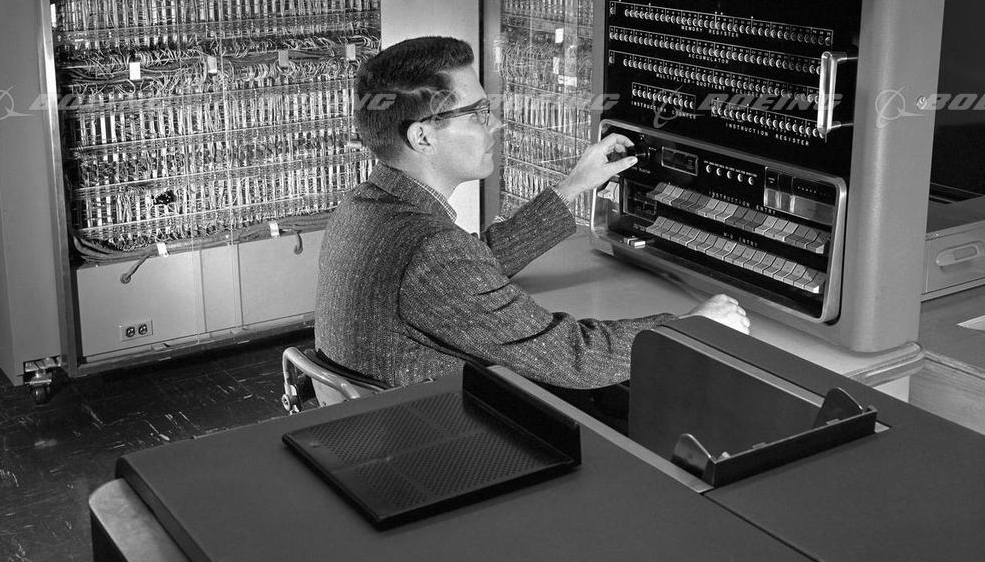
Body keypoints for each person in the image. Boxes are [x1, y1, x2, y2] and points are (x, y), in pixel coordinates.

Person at [314, 36, 749, 389]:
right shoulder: (432, 251)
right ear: (423, 137)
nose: (495, 124)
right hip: (430, 443)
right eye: (478, 113)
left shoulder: (366, 206)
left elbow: (472, 265)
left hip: (370, 434)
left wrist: (572, 186)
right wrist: (687, 327)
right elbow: (572, 359)